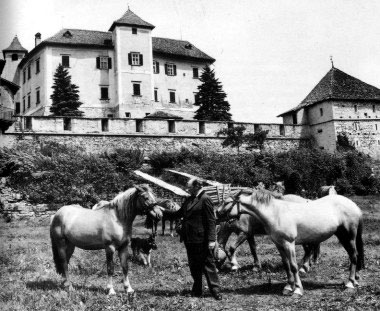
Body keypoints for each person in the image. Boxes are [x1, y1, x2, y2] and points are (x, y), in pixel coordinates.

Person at [175, 178, 222, 300]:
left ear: (196, 186)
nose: (187, 189)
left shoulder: (205, 199)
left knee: (208, 264)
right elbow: (178, 213)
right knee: (194, 265)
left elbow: (211, 221)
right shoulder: (189, 199)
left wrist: (212, 239)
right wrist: (162, 210)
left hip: (202, 239)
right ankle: (197, 290)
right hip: (189, 239)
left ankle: (216, 291)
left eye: (188, 187)